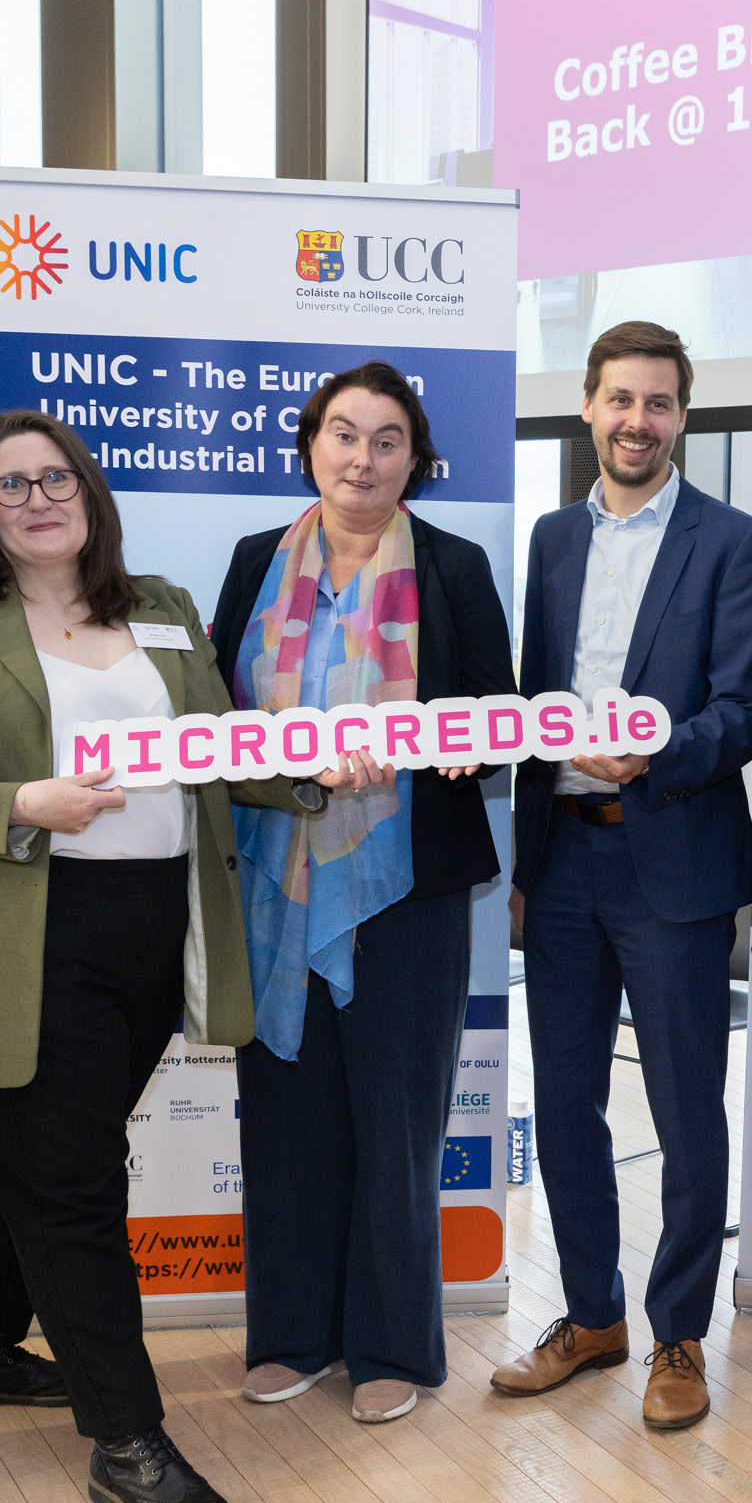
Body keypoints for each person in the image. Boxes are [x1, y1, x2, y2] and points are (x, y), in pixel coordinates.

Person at [0, 408, 331, 1503]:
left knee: (42, 1148)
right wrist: (16, 806)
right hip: (25, 920)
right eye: (9, 486)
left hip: (153, 923)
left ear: (88, 490)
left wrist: (313, 765)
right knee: (74, 1177)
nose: (37, 500)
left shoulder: (164, 607)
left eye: (55, 478)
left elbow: (218, 744)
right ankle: (126, 1436)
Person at [208, 361, 512, 1427]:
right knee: (286, 1114)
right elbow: (218, 721)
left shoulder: (457, 567)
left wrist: (451, 748)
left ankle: (391, 1346)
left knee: (396, 1121)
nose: (363, 457)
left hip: (408, 885)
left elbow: (495, 717)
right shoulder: (253, 565)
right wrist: (298, 770)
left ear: (413, 461)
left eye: (388, 440)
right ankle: (292, 1333)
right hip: (273, 875)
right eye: (345, 434)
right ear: (309, 446)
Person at [492, 320, 752, 1427]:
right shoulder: (554, 540)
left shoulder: (734, 542)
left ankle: (681, 1338)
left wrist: (656, 750)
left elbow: (739, 712)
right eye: (620, 400)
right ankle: (592, 1313)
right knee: (564, 1103)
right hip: (563, 858)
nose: (637, 421)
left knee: (682, 1110)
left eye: (658, 403)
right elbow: (531, 704)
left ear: (683, 417)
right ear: (589, 407)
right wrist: (522, 859)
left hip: (673, 860)